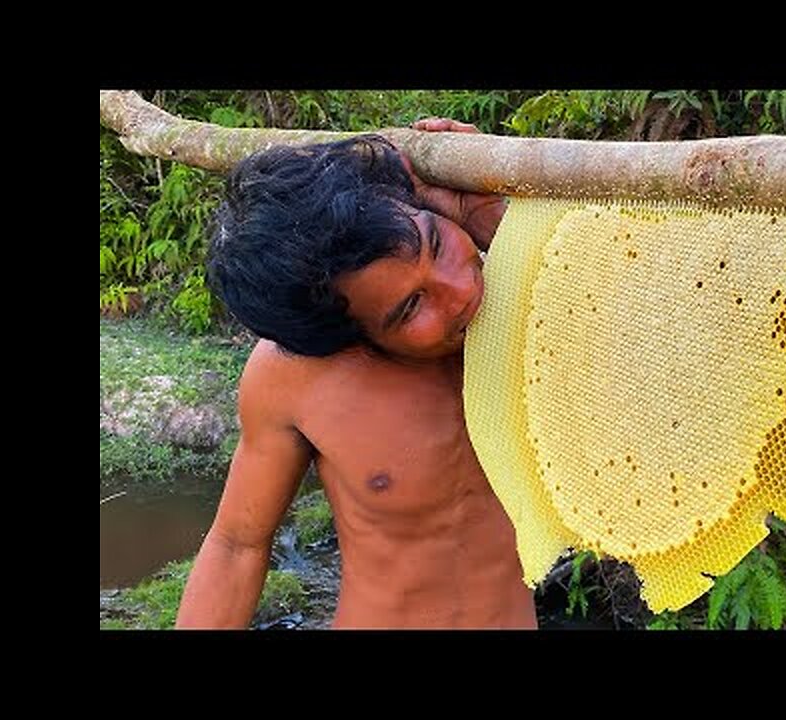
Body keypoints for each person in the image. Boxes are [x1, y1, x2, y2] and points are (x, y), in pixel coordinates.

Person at [175, 119, 536, 629]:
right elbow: (237, 545)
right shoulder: (294, 377)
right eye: (410, 308)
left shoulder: (534, 299)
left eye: (434, 243)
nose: (459, 292)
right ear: (348, 338)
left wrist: (500, 220)